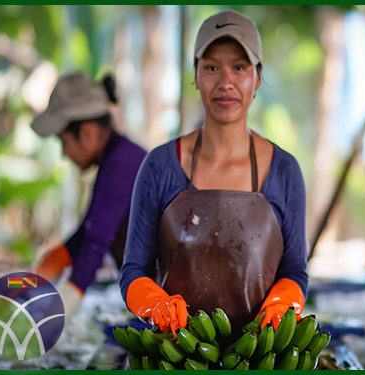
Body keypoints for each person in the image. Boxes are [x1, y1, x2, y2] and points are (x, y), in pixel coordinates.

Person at [120, 10, 308, 336]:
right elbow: (134, 269)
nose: (226, 83)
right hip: (176, 352)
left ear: (257, 79)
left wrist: (283, 303)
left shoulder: (285, 170)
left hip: (257, 356)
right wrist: (154, 304)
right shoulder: (159, 166)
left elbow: (294, 270)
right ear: (195, 76)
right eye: (211, 68)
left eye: (239, 67)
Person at [31, 72, 147, 319]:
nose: (64, 153)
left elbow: (94, 248)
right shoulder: (116, 161)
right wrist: (30, 283)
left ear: (87, 133)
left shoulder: (122, 165)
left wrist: (49, 323)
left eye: (63, 141)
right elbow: (84, 236)